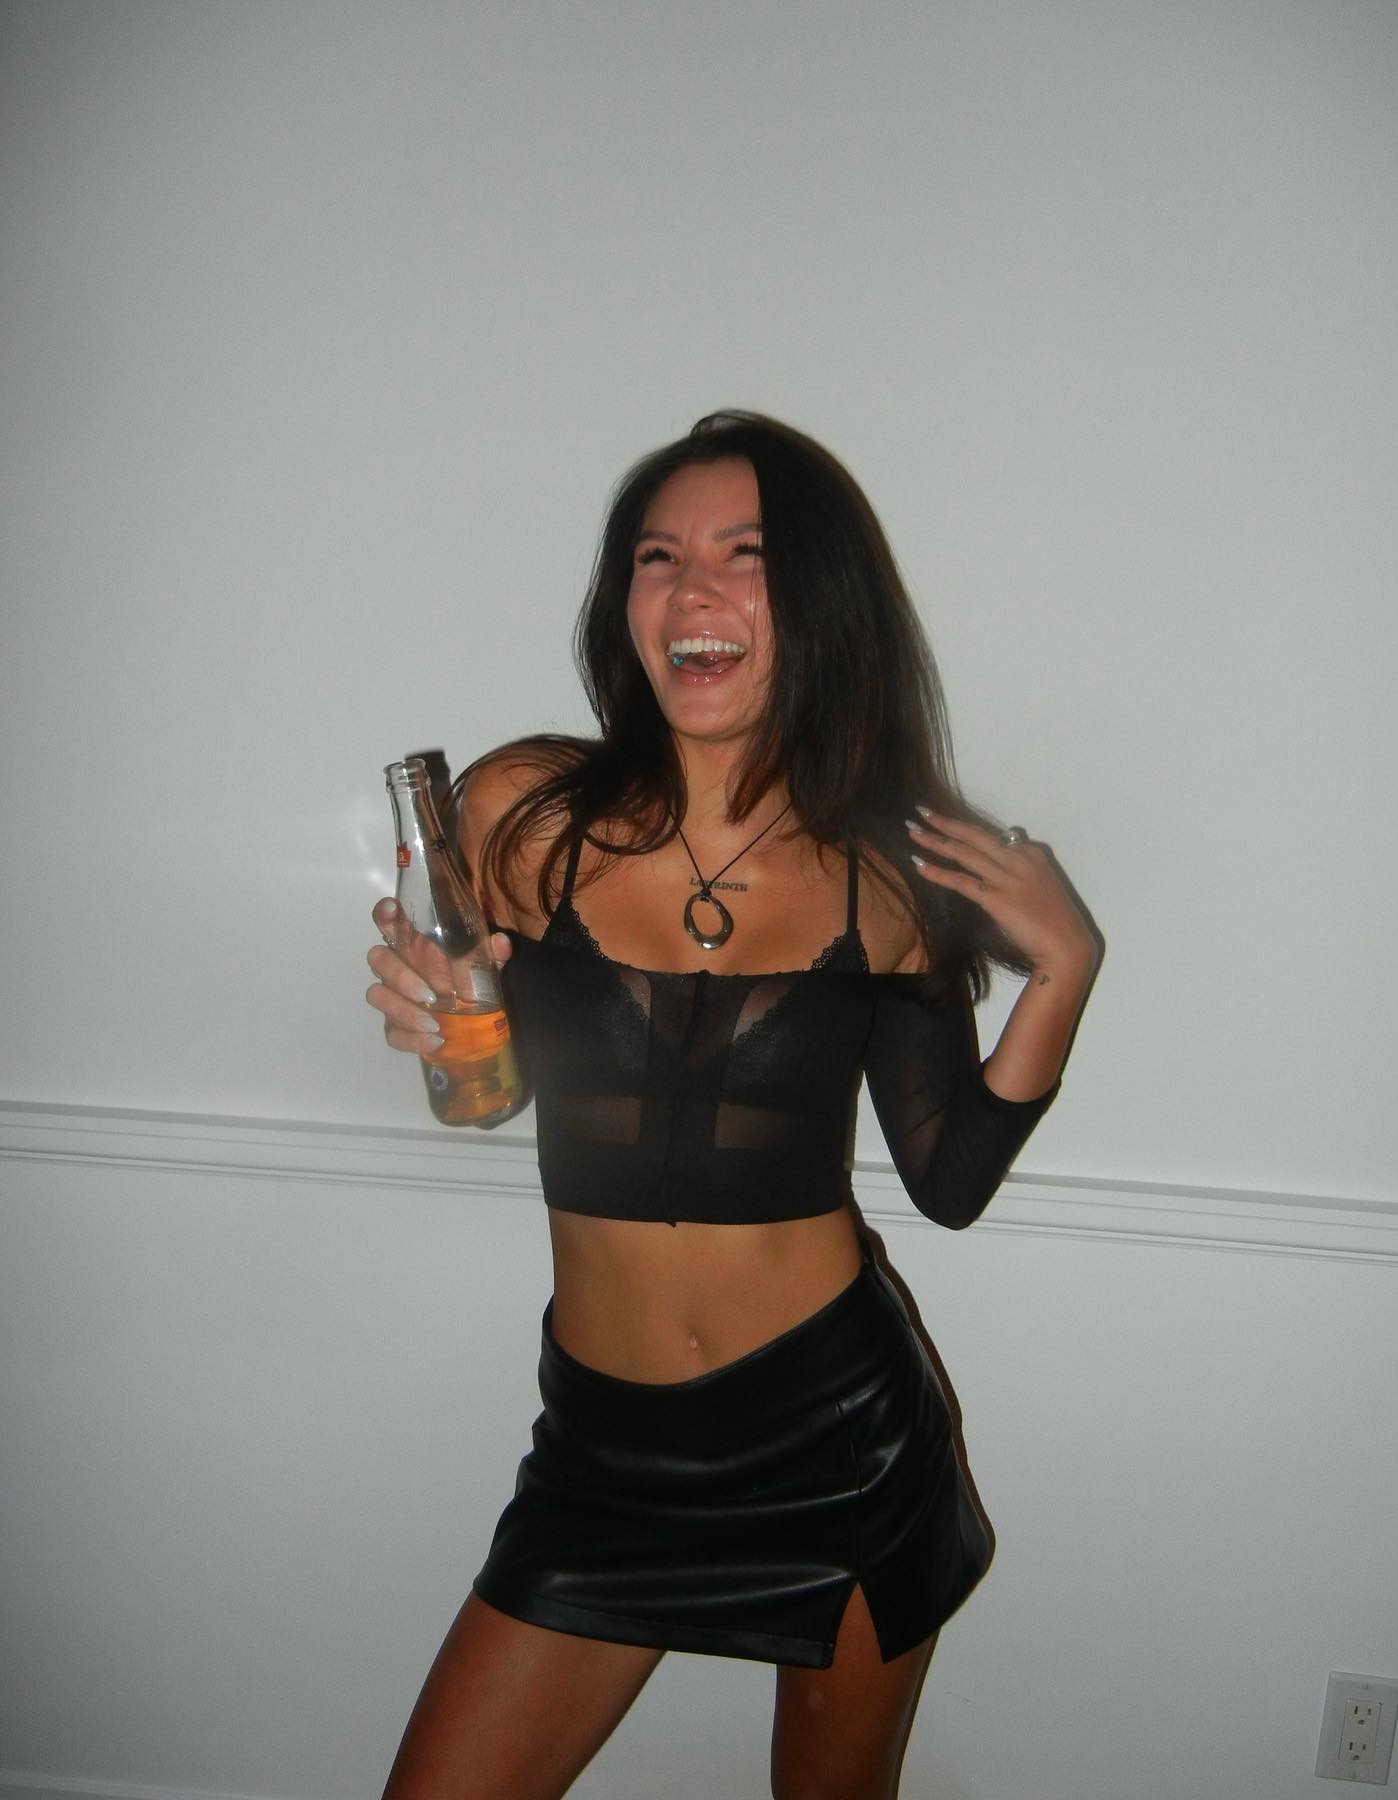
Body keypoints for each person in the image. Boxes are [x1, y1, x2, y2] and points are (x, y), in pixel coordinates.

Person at [365, 412, 1098, 1799]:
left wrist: (1064, 970)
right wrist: (433, 1021)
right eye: (658, 557)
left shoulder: (888, 873)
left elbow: (947, 1181)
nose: (692, 590)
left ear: (817, 598)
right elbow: (481, 1088)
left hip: (838, 1442)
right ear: (624, 601)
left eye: (743, 554)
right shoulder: (521, 814)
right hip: (602, 1455)